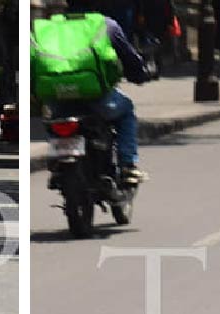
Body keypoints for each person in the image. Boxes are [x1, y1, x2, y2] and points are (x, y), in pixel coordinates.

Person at [62, 0, 150, 183]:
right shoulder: (106, 25)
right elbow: (129, 57)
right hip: (97, 101)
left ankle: (58, 166)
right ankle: (128, 165)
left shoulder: (51, 28)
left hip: (59, 101)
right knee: (126, 110)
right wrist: (140, 74)